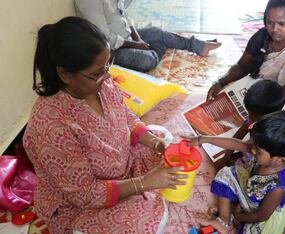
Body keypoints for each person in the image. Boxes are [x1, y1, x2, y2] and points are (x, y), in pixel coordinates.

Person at [23, 16, 188, 233]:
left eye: (107, 65)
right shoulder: (51, 125)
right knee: (140, 225)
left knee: (165, 142)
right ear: (65, 74)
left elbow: (126, 116)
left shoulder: (101, 83)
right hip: (79, 203)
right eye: (97, 73)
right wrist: (145, 182)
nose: (108, 75)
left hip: (123, 164)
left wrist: (155, 143)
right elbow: (84, 194)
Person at [184, 110, 285, 233]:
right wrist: (203, 139)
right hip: (251, 192)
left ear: (279, 161)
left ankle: (233, 215)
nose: (252, 150)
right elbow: (233, 143)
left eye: (258, 150)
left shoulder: (278, 187)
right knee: (226, 174)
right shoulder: (266, 151)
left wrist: (239, 216)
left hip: (261, 212)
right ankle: (223, 220)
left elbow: (261, 215)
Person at [206, 0, 285, 102]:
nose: (274, 29)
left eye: (281, 24)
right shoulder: (263, 35)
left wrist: (267, 94)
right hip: (259, 89)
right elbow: (242, 66)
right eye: (269, 22)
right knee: (225, 94)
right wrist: (221, 82)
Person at [74, 0, 221, 72]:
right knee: (148, 60)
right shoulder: (90, 2)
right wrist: (136, 45)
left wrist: (137, 38)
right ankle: (157, 50)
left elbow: (125, 16)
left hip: (127, 37)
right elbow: (105, 39)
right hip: (110, 51)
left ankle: (199, 46)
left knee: (156, 32)